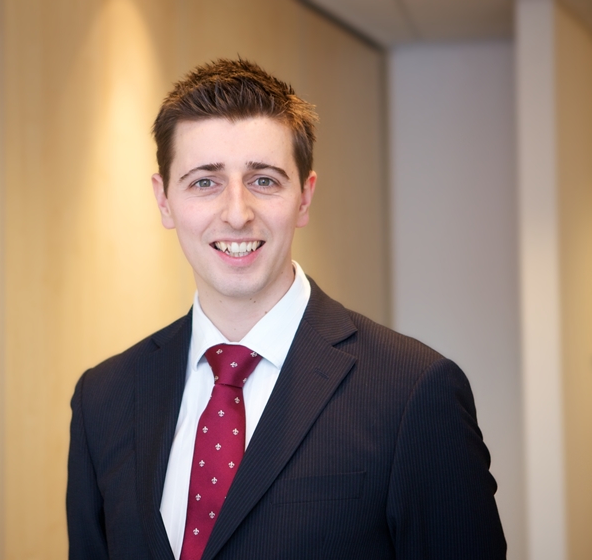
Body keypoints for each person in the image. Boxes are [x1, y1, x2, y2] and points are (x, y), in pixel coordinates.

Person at [66, 58, 506, 560]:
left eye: (264, 181)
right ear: (164, 199)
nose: (236, 213)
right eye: (204, 182)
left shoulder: (413, 391)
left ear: (304, 197)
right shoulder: (103, 398)